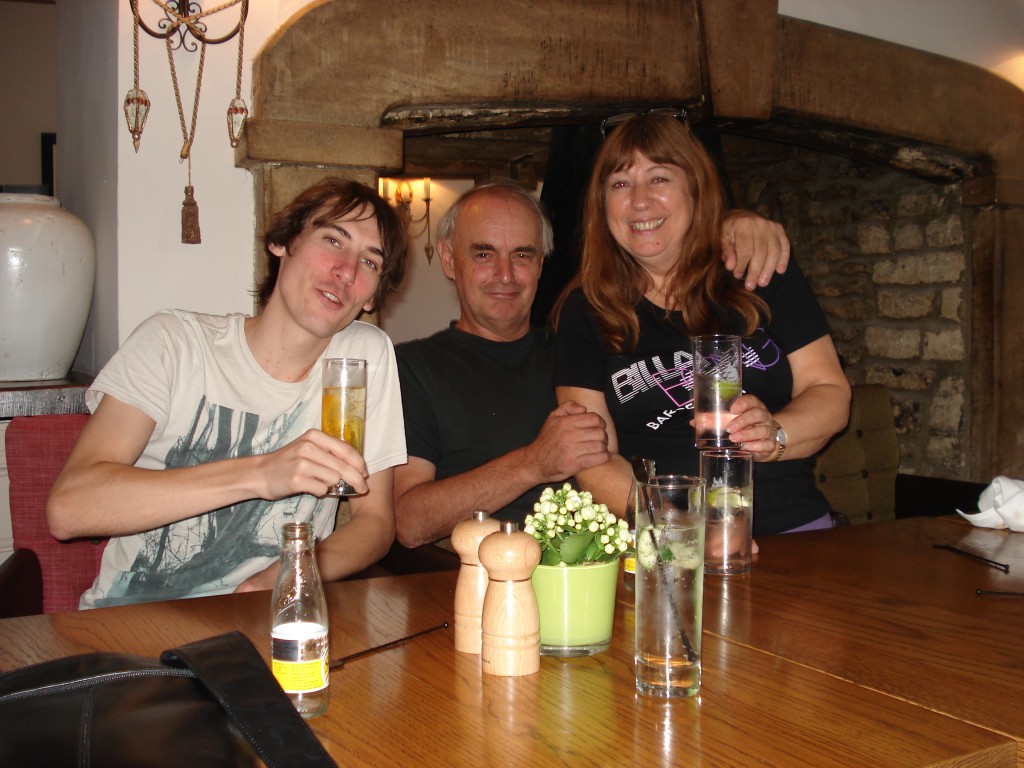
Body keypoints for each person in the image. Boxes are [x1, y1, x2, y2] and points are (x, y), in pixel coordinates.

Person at [47, 178, 409, 608]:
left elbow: (375, 521)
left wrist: (293, 573)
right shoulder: (174, 344)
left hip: (268, 620)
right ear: (282, 242)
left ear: (372, 298)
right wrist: (261, 474)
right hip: (133, 625)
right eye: (333, 239)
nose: (346, 271)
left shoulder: (362, 357)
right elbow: (68, 509)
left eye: (369, 262)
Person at [393, 180, 792, 549]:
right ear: (449, 260)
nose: (505, 274)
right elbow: (409, 523)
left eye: (522, 255)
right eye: (483, 254)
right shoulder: (414, 367)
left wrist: (734, 225)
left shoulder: (590, 345)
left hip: (632, 561)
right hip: (497, 579)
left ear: (542, 263)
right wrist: (532, 464)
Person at [552, 112, 851, 537]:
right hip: (669, 544)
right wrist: (683, 533)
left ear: (694, 187)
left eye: (659, 178)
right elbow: (592, 459)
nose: (639, 200)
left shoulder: (756, 269)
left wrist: (774, 433)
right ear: (601, 205)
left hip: (795, 531)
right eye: (620, 183)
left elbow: (830, 392)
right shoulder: (585, 309)